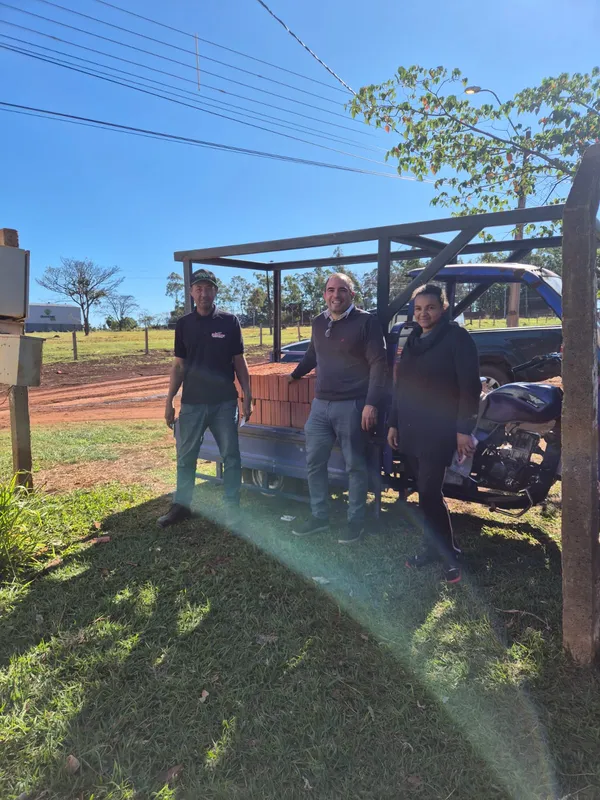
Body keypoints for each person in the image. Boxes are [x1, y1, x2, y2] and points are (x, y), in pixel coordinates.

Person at [387, 284, 481, 583]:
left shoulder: (457, 338)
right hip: (411, 428)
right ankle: (431, 548)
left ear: (443, 307)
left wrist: (463, 430)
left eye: (429, 307)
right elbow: (400, 387)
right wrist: (393, 423)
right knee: (425, 493)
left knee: (428, 493)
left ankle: (450, 555)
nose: (423, 313)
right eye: (417, 309)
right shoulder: (413, 340)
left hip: (439, 429)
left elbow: (470, 388)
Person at [289, 273, 387, 543]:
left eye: (342, 290)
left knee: (355, 466)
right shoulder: (319, 322)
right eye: (330, 290)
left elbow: (379, 364)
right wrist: (295, 375)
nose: (336, 295)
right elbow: (312, 354)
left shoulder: (366, 322)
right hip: (320, 406)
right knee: (314, 463)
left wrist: (370, 404)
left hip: (353, 406)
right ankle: (320, 516)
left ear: (351, 295)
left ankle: (355, 522)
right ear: (324, 294)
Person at [158, 269, 252, 527]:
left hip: (224, 403)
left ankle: (232, 507)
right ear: (191, 293)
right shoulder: (184, 325)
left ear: (215, 291)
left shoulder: (229, 322)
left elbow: (239, 362)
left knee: (231, 456)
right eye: (198, 288)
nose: (203, 293)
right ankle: (182, 506)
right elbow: (178, 366)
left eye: (208, 288)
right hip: (192, 403)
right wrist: (169, 401)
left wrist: (248, 395)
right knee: (186, 456)